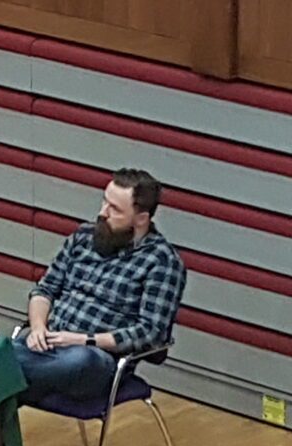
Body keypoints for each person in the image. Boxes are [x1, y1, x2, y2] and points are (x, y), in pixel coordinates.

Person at [17, 168, 186, 405]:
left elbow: (151, 334)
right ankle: (9, 375)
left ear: (141, 219)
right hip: (48, 344)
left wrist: (81, 339)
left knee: (73, 362)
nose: (102, 212)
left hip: (96, 358)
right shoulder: (83, 237)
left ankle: (6, 369)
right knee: (4, 360)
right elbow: (45, 289)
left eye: (115, 209)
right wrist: (37, 328)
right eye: (105, 201)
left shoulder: (161, 262)